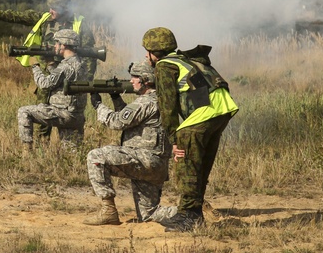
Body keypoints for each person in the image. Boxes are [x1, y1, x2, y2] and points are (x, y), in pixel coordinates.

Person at [142, 27, 239, 232]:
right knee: (200, 164)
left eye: (147, 51)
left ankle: (188, 217)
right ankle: (193, 213)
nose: (146, 56)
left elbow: (167, 106)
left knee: (187, 164)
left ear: (154, 53)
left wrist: (174, 138)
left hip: (204, 116)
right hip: (222, 111)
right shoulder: (187, 60)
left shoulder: (165, 66)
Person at [0, 0, 96, 140]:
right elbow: (20, 17)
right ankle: (42, 148)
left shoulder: (79, 24)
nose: (50, 11)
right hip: (47, 75)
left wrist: (86, 83)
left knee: (69, 117)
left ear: (64, 8)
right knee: (42, 114)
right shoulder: (45, 19)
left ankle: (70, 150)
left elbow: (90, 55)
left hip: (68, 78)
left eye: (54, 8)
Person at [81, 59, 175, 226]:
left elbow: (117, 122)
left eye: (135, 77)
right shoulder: (160, 100)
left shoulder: (145, 101)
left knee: (96, 156)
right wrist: (116, 99)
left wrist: (98, 106)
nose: (131, 81)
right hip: (156, 164)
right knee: (149, 213)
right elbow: (130, 119)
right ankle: (190, 210)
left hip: (143, 159)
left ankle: (108, 211)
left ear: (145, 80)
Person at [16, 29, 87, 149]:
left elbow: (45, 83)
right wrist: (50, 64)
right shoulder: (81, 63)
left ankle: (26, 152)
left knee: (24, 112)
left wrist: (35, 66)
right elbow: (62, 79)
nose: (55, 46)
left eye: (57, 43)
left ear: (63, 45)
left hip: (62, 113)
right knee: (71, 153)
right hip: (76, 115)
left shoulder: (65, 66)